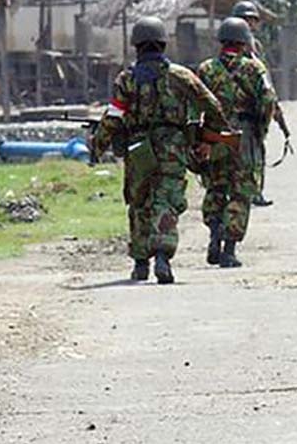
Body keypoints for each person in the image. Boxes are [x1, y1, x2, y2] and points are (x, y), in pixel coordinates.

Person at [90, 16, 229, 284]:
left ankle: (141, 264)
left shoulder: (126, 79)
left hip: (138, 148)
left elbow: (113, 117)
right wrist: (207, 139)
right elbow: (213, 107)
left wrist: (98, 145)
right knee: (167, 199)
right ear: (163, 44)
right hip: (173, 148)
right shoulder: (182, 76)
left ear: (136, 46)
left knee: (139, 201)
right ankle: (163, 257)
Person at [197, 18, 277, 268]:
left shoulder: (206, 69)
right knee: (241, 191)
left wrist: (200, 137)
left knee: (216, 187)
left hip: (214, 135)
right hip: (244, 135)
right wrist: (260, 131)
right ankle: (229, 249)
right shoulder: (255, 69)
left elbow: (194, 102)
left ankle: (213, 235)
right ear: (244, 43)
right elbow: (268, 101)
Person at [230, 0, 290, 208]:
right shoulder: (232, 45)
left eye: (252, 20)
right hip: (237, 109)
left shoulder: (256, 47)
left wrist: (273, 108)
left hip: (256, 108)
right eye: (245, 20)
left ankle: (255, 191)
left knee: (256, 152)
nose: (249, 24)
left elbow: (264, 76)